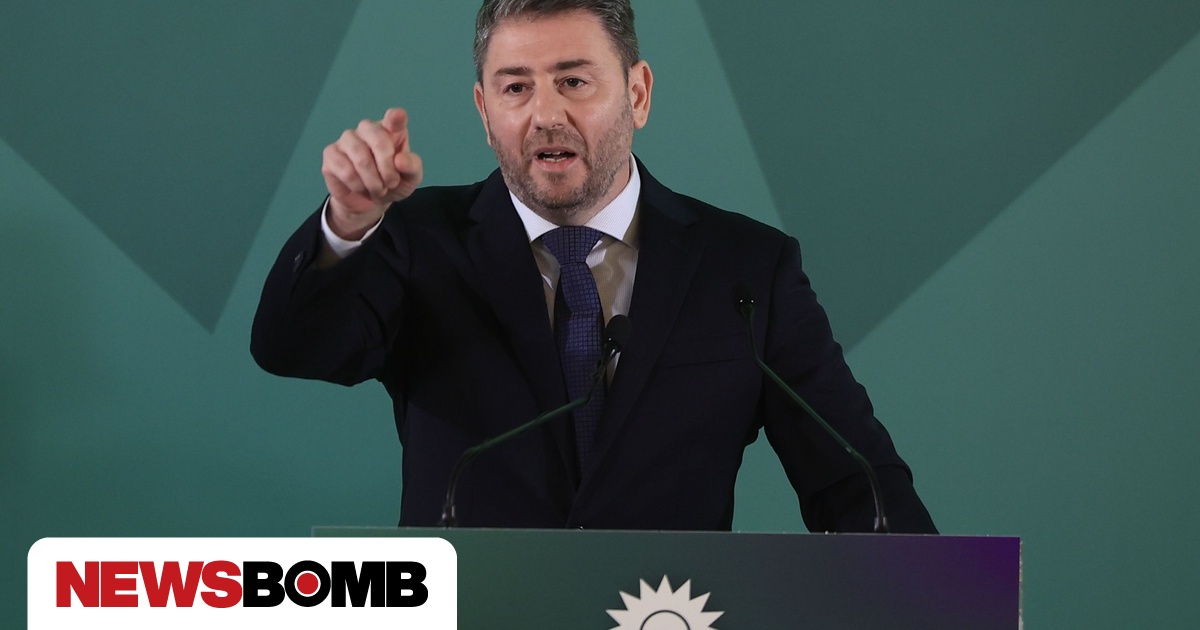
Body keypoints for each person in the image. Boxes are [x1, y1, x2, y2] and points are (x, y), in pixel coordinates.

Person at [251, 0, 937, 533]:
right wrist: (349, 223)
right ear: (484, 111)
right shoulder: (417, 241)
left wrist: (937, 601)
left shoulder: (746, 269)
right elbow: (295, 348)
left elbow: (858, 485)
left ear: (637, 94)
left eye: (574, 81)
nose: (545, 114)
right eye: (515, 88)